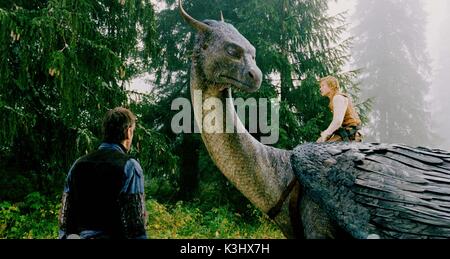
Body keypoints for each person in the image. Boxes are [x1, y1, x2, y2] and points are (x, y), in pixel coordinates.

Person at [59, 107, 147, 239]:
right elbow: (135, 226)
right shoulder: (130, 166)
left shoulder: (78, 164)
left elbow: (65, 219)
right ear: (128, 132)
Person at [317, 76, 362, 143]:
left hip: (351, 132)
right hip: (349, 131)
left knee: (324, 148)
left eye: (323, 86)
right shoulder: (336, 98)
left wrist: (326, 133)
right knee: (320, 144)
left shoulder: (338, 97)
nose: (320, 89)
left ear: (331, 86)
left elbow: (337, 121)